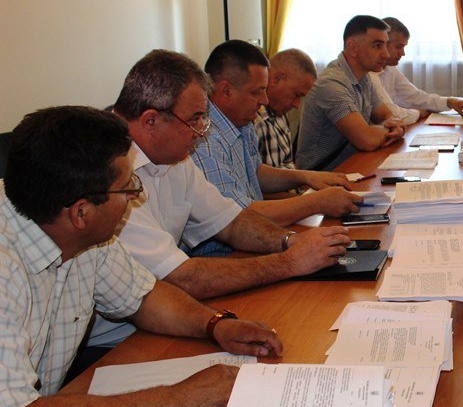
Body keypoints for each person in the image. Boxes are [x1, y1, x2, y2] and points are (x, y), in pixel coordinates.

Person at [0, 106, 282, 407]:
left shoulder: (81, 232)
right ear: (81, 213)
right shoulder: (6, 267)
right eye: (127, 188)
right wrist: (182, 399)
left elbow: (144, 296)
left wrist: (216, 324)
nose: (135, 196)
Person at [88, 50, 351, 349]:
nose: (202, 132)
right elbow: (181, 277)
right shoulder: (108, 177)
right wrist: (290, 262)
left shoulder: (174, 156)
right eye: (196, 119)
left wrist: (291, 241)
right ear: (150, 121)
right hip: (115, 344)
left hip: (170, 316)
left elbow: (231, 222)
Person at [192, 40, 362, 228]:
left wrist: (306, 177)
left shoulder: (241, 122)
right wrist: (317, 202)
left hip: (259, 230)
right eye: (256, 92)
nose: (264, 100)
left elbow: (255, 172)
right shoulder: (205, 141)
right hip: (240, 238)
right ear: (225, 91)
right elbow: (239, 218)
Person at [295, 15, 406, 171]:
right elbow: (366, 140)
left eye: (386, 46)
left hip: (352, 166)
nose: (386, 54)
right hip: (321, 176)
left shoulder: (364, 78)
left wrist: (394, 126)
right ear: (353, 48)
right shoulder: (331, 84)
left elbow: (387, 116)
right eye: (377, 46)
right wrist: (392, 129)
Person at [374, 16, 463, 124]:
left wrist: (450, 101)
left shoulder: (391, 69)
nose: (403, 53)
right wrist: (418, 113)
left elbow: (416, 97)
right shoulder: (369, 74)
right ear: (383, 44)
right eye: (399, 47)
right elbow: (390, 114)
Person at [254, 48, 317, 170]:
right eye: (297, 95)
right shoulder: (251, 120)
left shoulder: (279, 111)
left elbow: (288, 164)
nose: (297, 105)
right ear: (277, 78)